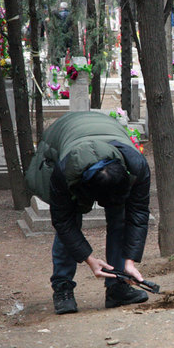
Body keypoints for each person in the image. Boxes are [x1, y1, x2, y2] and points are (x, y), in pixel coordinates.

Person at [25, 111, 151, 314]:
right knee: (71, 220)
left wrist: (130, 261)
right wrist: (90, 260)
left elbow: (137, 214)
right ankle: (63, 286)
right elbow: (62, 222)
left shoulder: (136, 165)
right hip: (62, 139)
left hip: (104, 136)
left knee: (120, 219)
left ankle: (117, 286)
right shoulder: (63, 173)